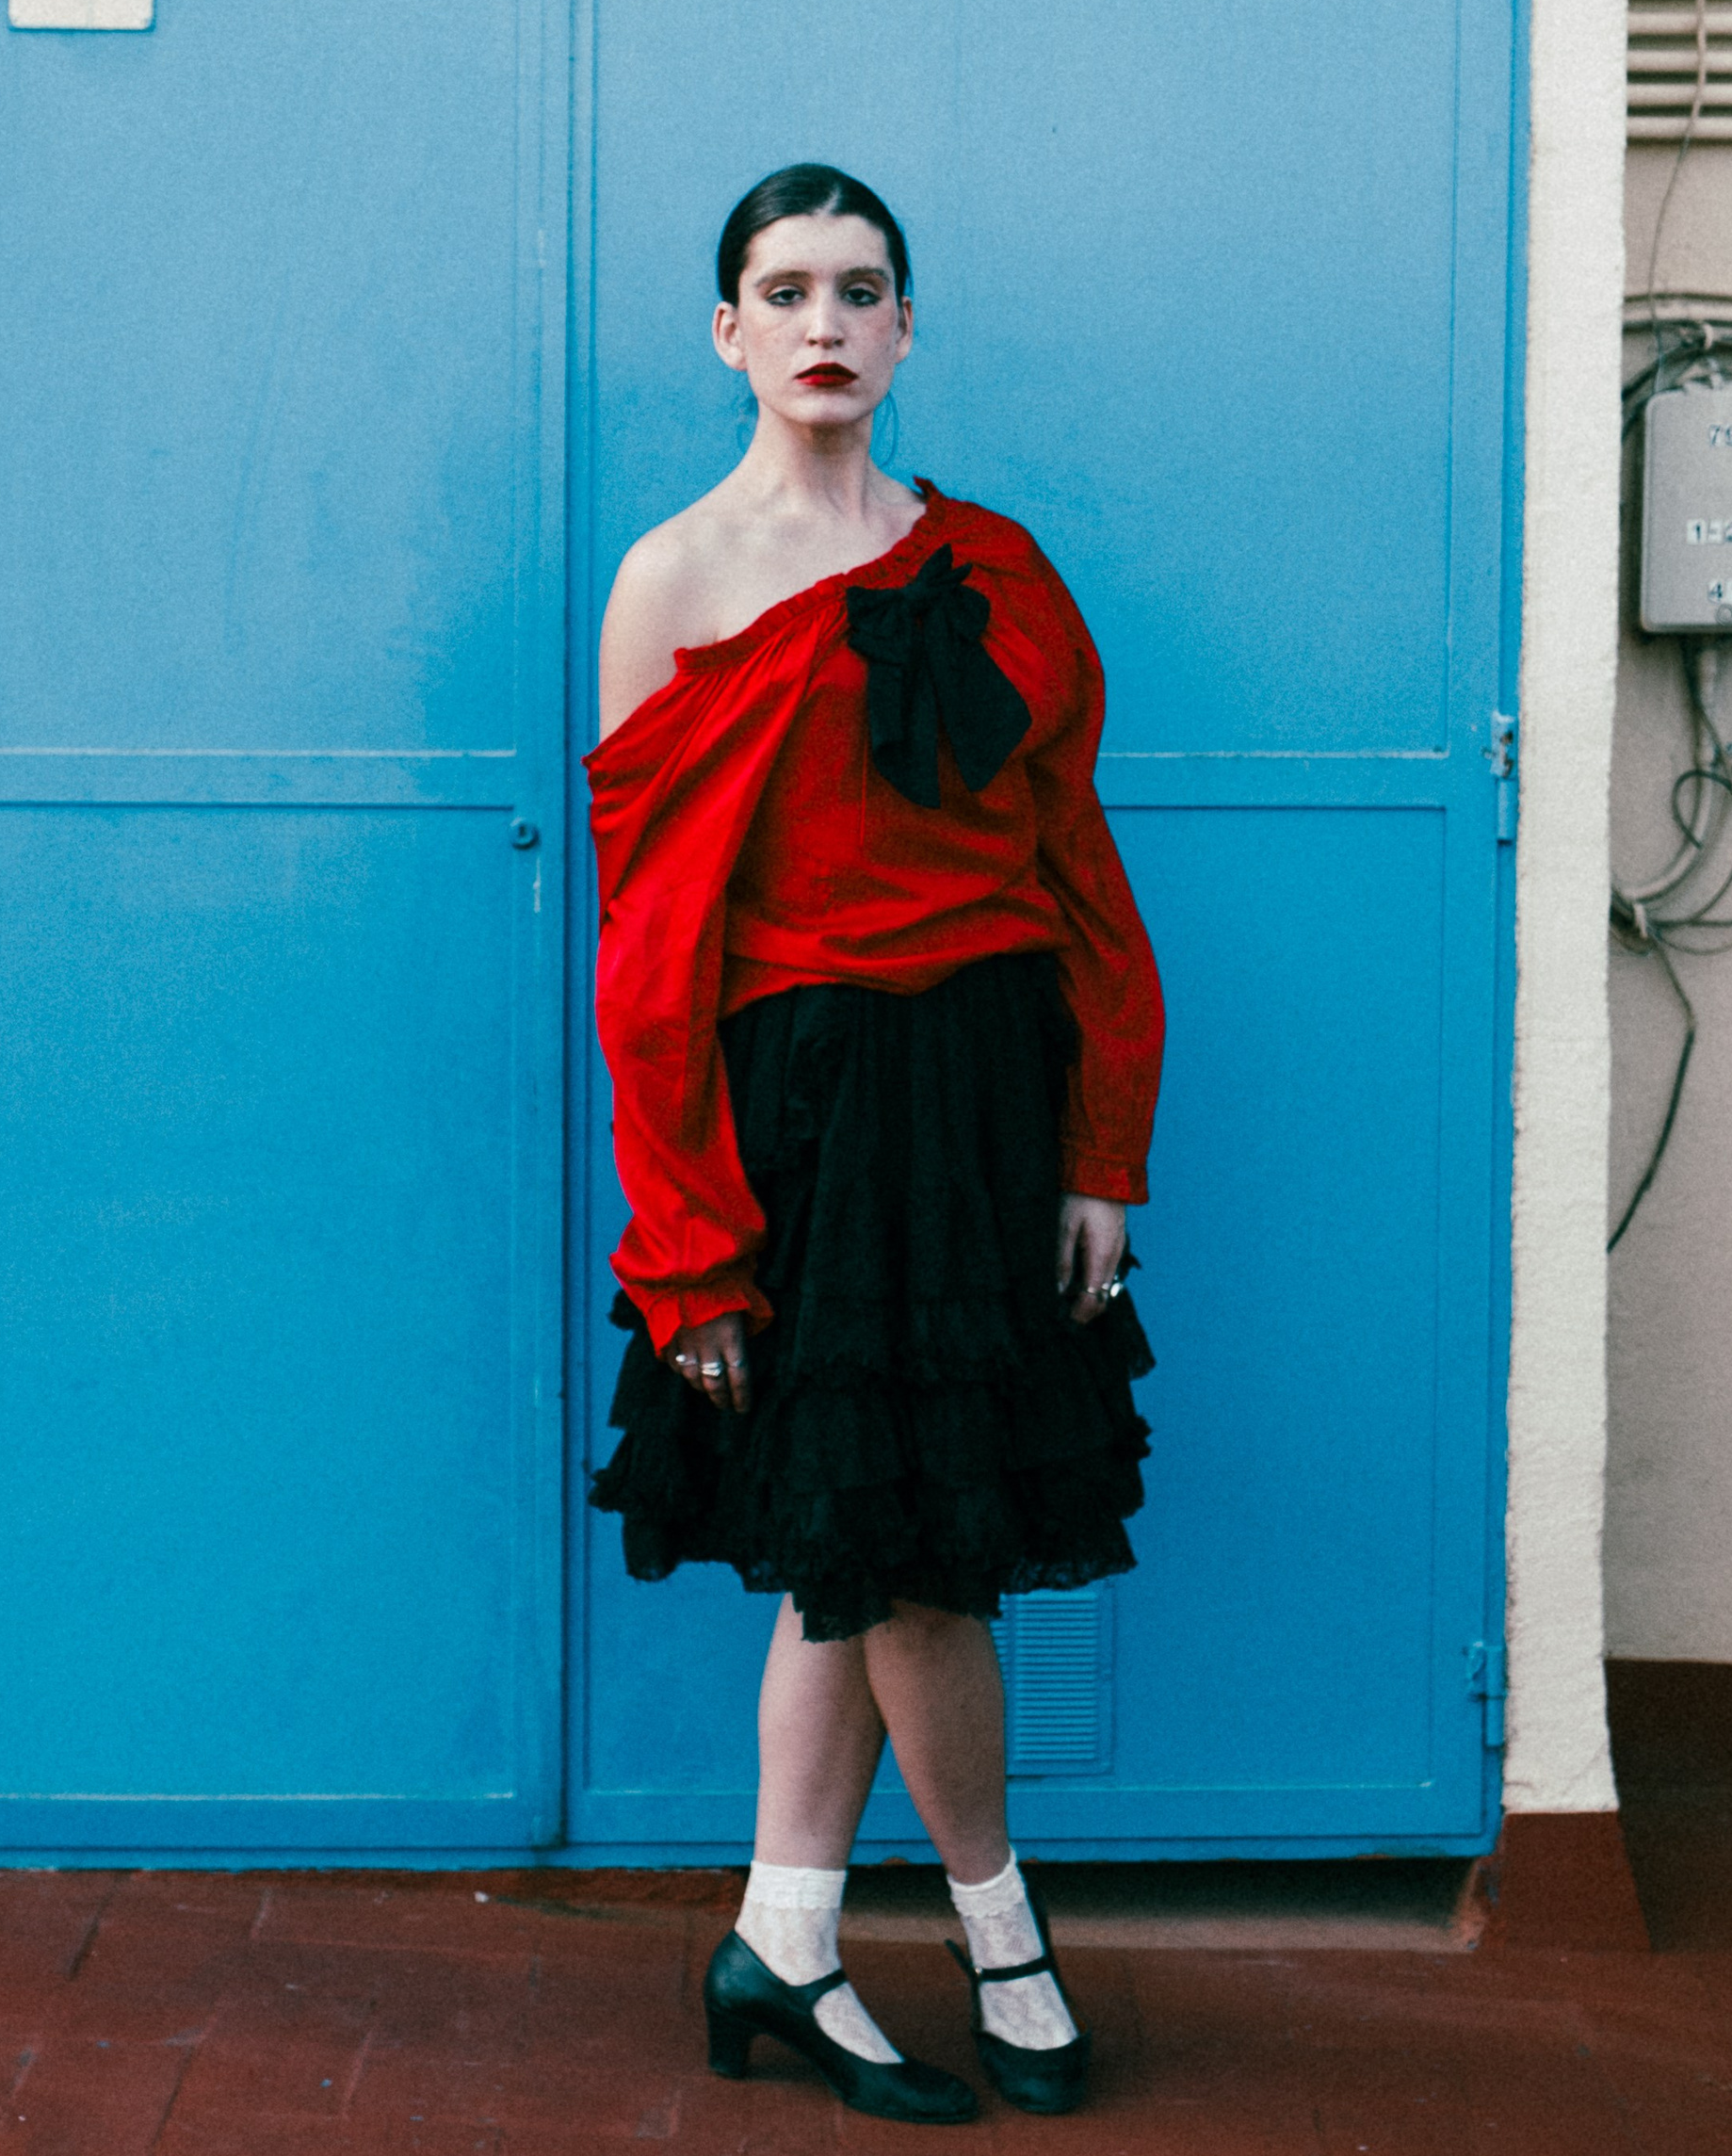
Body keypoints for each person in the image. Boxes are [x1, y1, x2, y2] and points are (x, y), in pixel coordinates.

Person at [585, 164, 1164, 2125]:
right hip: (811, 1117)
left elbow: (1078, 877)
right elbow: (649, 955)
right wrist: (682, 1241)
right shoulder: (669, 578)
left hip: (989, 1099)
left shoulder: (999, 568)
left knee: (860, 1541)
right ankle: (1005, 1931)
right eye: (782, 287)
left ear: (905, 330)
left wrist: (1104, 1147)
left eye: (860, 287)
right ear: (726, 332)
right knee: (911, 1560)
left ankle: (785, 1928)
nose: (822, 319)